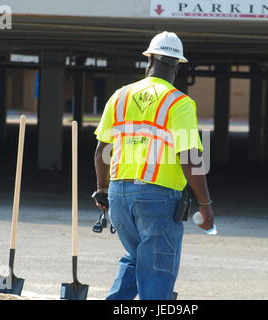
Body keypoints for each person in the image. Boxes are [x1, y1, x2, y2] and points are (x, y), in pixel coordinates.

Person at [93, 31, 214, 300]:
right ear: (177, 65)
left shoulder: (120, 96)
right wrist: (205, 204)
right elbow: (189, 156)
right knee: (159, 268)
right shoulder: (178, 102)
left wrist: (102, 191)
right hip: (156, 198)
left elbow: (102, 150)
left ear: (148, 59)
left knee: (136, 258)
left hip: (119, 194)